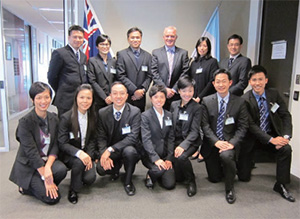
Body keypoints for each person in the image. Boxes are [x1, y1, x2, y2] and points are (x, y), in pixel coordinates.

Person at [239, 65, 295, 202]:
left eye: (260, 79)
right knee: (243, 177)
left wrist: (285, 137)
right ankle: (248, 162)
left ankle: (281, 184)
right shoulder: (245, 99)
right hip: (252, 139)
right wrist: (271, 140)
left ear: (266, 80)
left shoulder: (274, 94)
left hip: (271, 134)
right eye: (254, 80)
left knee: (286, 149)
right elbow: (250, 125)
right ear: (250, 82)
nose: (257, 83)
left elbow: (285, 115)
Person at [9, 82, 67, 205]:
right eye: (39, 98)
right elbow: (31, 152)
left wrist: (47, 167)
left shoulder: (54, 118)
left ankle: (40, 182)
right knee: (53, 199)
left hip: (45, 162)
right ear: (32, 99)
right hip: (30, 165)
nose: (43, 101)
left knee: (61, 169)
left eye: (46, 97)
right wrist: (46, 177)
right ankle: (26, 187)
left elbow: (55, 145)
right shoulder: (25, 122)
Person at [201, 69, 248, 204]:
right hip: (212, 144)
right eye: (218, 82)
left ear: (230, 83)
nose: (221, 84)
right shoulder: (206, 101)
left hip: (229, 143)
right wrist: (216, 142)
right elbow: (205, 126)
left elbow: (243, 127)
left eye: (224, 81)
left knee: (226, 156)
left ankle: (230, 188)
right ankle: (229, 168)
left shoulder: (240, 102)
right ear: (213, 84)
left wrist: (231, 143)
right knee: (214, 178)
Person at [96, 81, 141, 196]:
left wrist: (110, 149)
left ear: (127, 95)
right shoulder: (102, 113)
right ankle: (115, 169)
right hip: (112, 150)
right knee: (101, 168)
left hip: (127, 148)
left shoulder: (135, 112)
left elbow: (133, 137)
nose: (118, 97)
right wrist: (103, 153)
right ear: (110, 96)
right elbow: (101, 137)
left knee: (130, 152)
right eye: (115, 93)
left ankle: (128, 181)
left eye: (122, 93)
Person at [58, 84, 97, 204]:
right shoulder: (66, 117)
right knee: (78, 162)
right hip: (69, 154)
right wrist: (80, 154)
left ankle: (79, 175)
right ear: (76, 98)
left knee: (90, 179)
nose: (85, 101)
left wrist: (89, 156)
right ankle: (73, 190)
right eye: (82, 97)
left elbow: (92, 140)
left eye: (88, 98)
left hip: (86, 153)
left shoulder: (94, 116)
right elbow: (62, 143)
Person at [188, 37, 219, 162]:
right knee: (195, 126)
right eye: (200, 46)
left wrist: (200, 97)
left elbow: (212, 82)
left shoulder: (212, 62)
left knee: (206, 126)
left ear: (208, 48)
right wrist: (191, 97)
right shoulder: (194, 63)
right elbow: (190, 81)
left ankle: (204, 151)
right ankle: (195, 149)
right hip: (193, 99)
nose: (202, 48)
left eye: (205, 46)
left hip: (206, 99)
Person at [170, 75, 202, 197]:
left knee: (182, 157)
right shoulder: (174, 105)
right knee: (177, 178)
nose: (187, 94)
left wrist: (182, 146)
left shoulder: (197, 108)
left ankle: (191, 181)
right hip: (176, 140)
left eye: (190, 91)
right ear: (179, 91)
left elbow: (194, 132)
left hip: (190, 141)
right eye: (184, 91)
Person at [141, 85, 176, 190]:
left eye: (162, 97)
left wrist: (169, 158)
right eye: (156, 97)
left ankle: (160, 172)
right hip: (150, 156)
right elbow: (146, 139)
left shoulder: (169, 115)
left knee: (169, 184)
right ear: (151, 99)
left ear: (165, 98)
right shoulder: (145, 116)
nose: (159, 100)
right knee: (158, 170)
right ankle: (150, 174)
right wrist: (156, 159)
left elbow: (171, 138)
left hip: (165, 155)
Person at [48, 25, 87, 117]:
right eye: (75, 37)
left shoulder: (83, 56)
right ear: (69, 37)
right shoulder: (60, 53)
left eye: (80, 37)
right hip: (65, 99)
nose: (77, 39)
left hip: (80, 99)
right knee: (64, 126)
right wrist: (62, 88)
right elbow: (51, 76)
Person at [152, 26, 189, 110]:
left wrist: (174, 89)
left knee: (175, 119)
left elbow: (185, 73)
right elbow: (154, 72)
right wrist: (165, 89)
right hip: (159, 93)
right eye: (167, 36)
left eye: (172, 36)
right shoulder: (156, 53)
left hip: (176, 94)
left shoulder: (183, 53)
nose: (169, 38)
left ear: (176, 37)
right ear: (163, 37)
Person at [116, 27, 152, 112]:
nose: (135, 40)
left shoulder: (148, 56)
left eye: (137, 37)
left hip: (141, 97)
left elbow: (149, 75)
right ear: (128, 39)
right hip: (127, 96)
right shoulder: (121, 54)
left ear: (141, 39)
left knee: (140, 121)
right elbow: (121, 75)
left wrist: (142, 91)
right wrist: (135, 90)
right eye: (132, 37)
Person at [87, 34, 116, 112]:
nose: (104, 47)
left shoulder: (113, 61)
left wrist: (112, 95)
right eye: (102, 44)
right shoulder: (92, 61)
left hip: (112, 100)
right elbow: (92, 81)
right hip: (98, 100)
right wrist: (104, 97)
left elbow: (116, 80)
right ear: (97, 46)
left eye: (107, 44)